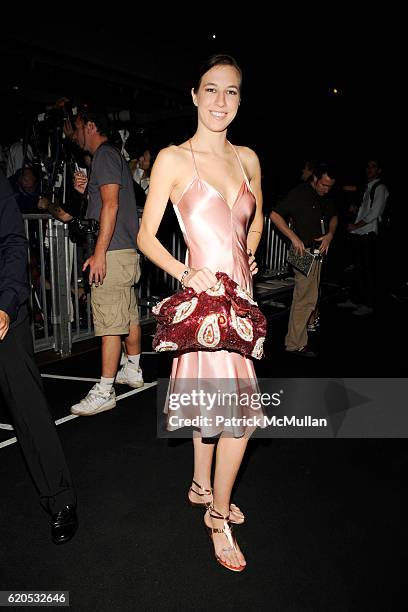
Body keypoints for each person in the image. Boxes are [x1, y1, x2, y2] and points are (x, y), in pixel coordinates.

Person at [137, 54, 263, 572]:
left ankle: (200, 484)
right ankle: (216, 517)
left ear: (239, 100)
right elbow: (146, 236)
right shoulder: (173, 158)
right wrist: (185, 273)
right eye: (211, 90)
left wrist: (250, 249)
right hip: (207, 306)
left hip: (243, 304)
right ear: (194, 95)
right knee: (241, 419)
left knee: (213, 407)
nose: (220, 101)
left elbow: (254, 221)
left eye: (231, 92)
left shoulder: (248, 158)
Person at [0, 170, 78, 544]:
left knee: (28, 408)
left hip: (2, 314)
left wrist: (6, 304)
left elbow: (13, 242)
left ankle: (60, 499)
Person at [69, 107, 144, 417]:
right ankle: (133, 370)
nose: (73, 135)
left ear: (89, 126)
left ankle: (104, 389)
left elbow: (111, 205)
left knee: (109, 324)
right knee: (127, 314)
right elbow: (109, 200)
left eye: (75, 127)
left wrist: (99, 252)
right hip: (126, 251)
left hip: (112, 251)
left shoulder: (104, 154)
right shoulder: (112, 157)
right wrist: (87, 193)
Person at [270, 162, 338, 357]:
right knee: (304, 299)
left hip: (317, 253)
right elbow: (275, 215)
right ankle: (295, 343)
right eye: (323, 185)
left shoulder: (323, 196)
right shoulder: (300, 193)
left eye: (329, 186)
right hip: (302, 252)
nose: (326, 189)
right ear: (315, 178)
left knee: (311, 297)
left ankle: (303, 330)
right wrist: (293, 237)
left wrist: (330, 234)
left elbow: (334, 216)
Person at [338, 158, 389, 315]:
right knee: (357, 269)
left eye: (373, 167)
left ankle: (368, 304)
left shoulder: (380, 188)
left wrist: (356, 225)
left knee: (367, 270)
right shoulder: (367, 188)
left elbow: (375, 213)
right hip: (359, 234)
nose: (369, 169)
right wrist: (355, 213)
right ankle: (355, 300)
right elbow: (365, 210)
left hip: (369, 234)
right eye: (368, 166)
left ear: (379, 170)